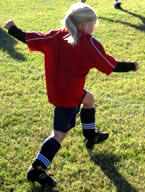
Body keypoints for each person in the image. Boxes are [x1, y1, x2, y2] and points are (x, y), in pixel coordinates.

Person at [4, 2, 138, 188]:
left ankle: (90, 136)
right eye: (93, 24)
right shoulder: (89, 43)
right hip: (69, 96)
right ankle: (37, 169)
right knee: (58, 134)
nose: (94, 28)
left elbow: (31, 38)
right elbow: (111, 65)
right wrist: (132, 66)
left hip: (59, 89)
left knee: (89, 99)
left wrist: (12, 29)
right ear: (84, 24)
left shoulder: (56, 35)